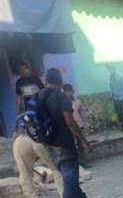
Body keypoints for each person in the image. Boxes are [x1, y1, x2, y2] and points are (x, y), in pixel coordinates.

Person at [42, 68, 90, 198]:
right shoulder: (60, 95)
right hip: (64, 145)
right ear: (60, 81)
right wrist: (82, 140)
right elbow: (70, 122)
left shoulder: (37, 96)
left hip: (48, 146)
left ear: (45, 80)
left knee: (69, 179)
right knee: (70, 181)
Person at [12, 116, 64, 198]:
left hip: (21, 140)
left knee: (25, 173)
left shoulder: (20, 116)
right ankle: (64, 193)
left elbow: (15, 135)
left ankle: (34, 196)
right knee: (55, 168)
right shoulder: (42, 108)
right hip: (39, 139)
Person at [63, 83, 91, 168]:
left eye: (70, 91)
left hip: (79, 125)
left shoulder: (77, 102)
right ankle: (75, 164)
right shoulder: (63, 103)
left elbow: (83, 114)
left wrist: (86, 124)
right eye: (66, 92)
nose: (68, 93)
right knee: (72, 146)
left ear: (72, 91)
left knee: (80, 145)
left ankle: (83, 162)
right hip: (69, 127)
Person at [106, 65, 123, 131]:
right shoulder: (110, 79)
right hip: (116, 98)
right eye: (109, 70)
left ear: (114, 70)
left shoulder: (120, 78)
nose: (110, 71)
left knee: (122, 112)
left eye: (111, 69)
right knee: (118, 113)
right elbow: (111, 89)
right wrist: (111, 95)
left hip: (122, 98)